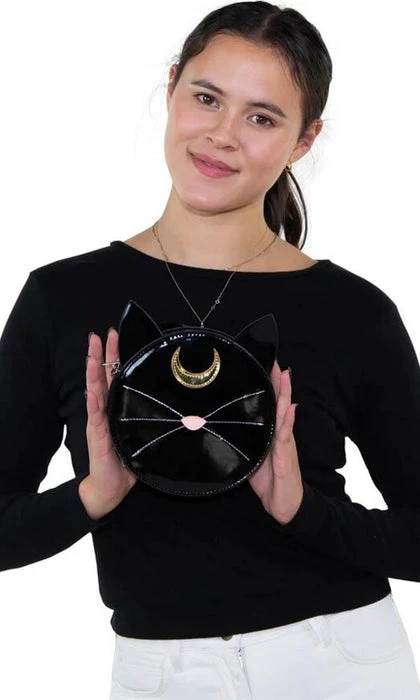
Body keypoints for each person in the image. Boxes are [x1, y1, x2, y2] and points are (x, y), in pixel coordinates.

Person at [1, 1, 420, 698]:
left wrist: (303, 511)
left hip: (338, 660)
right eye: (206, 98)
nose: (222, 135)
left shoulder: (354, 312)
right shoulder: (62, 298)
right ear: (172, 89)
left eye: (262, 118)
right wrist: (90, 496)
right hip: (161, 673)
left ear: (304, 140)